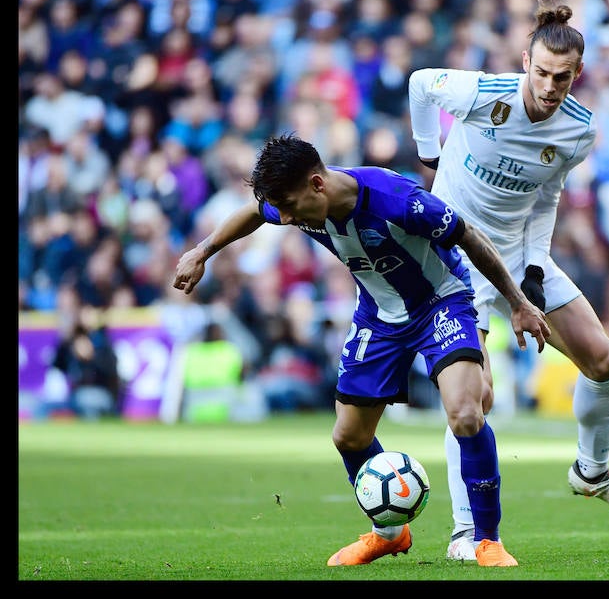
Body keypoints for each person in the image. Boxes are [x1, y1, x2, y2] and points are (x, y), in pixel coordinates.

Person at [172, 134, 550, 567]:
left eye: (292, 206)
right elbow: (255, 213)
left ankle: (487, 541)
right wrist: (203, 251)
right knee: (349, 436)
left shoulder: (398, 201)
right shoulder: (295, 203)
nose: (288, 217)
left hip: (440, 302)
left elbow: (471, 238)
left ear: (318, 184)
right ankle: (389, 534)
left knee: (466, 412)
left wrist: (519, 304)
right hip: (378, 315)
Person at [407, 0, 609, 561]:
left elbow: (546, 198)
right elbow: (421, 83)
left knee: (605, 359)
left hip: (517, 257)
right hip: (453, 260)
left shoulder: (578, 131)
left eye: (561, 77)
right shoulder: (482, 95)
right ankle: (466, 535)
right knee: (475, 400)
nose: (548, 86)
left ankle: (592, 472)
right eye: (540, 72)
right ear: (525, 61)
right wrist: (429, 152)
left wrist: (536, 273)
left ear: (578, 74)